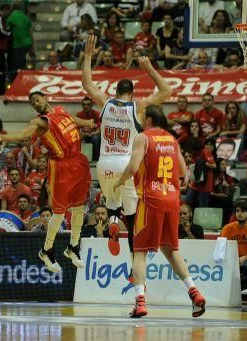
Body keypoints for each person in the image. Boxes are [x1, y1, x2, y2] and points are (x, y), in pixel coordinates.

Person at [83, 34, 172, 260]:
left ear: (115, 93)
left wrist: (87, 56)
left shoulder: (106, 103)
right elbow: (166, 92)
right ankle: (134, 263)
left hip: (103, 164)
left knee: (112, 204)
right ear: (131, 93)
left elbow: (87, 84)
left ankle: (113, 221)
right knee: (132, 218)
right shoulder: (138, 107)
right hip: (126, 163)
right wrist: (149, 69)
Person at [113, 104, 206, 318]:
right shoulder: (172, 140)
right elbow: (183, 171)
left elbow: (132, 168)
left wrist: (119, 182)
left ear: (147, 120)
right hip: (172, 200)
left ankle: (140, 302)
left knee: (139, 251)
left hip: (150, 199)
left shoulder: (143, 138)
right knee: (170, 250)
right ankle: (194, 292)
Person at [0, 90, 95, 273]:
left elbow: (73, 121)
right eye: (32, 103)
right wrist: (3, 137)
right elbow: (23, 134)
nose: (36, 103)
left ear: (46, 98)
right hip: (61, 167)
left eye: (37, 99)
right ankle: (46, 250)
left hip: (78, 161)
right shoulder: (39, 122)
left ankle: (73, 247)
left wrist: (88, 123)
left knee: (79, 207)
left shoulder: (61, 110)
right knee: (59, 213)